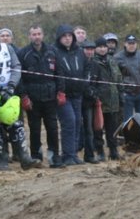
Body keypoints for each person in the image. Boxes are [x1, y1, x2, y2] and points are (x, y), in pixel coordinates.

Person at [0, 24, 41, 170]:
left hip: (10, 93)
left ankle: (24, 157)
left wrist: (11, 85)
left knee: (15, 123)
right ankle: (2, 159)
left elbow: (16, 66)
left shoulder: (7, 48)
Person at [18, 25, 65, 168]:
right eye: (33, 34)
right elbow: (19, 77)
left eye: (39, 34)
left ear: (43, 35)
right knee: (35, 129)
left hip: (50, 97)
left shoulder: (52, 51)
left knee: (52, 128)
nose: (36, 37)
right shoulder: (23, 53)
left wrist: (61, 91)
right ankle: (36, 157)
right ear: (29, 36)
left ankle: (54, 157)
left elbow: (60, 73)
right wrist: (24, 96)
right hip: (33, 98)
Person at [54, 24, 89, 166]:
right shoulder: (55, 52)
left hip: (77, 93)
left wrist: (84, 82)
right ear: (59, 38)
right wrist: (59, 90)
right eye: (64, 36)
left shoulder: (79, 52)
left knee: (76, 123)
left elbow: (87, 68)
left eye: (69, 36)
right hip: (63, 94)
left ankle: (73, 153)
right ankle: (67, 155)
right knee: (69, 121)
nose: (67, 39)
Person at [90, 37, 123, 160]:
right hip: (99, 101)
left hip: (113, 100)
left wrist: (121, 95)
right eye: (100, 47)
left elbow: (119, 78)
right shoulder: (92, 62)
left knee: (112, 128)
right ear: (96, 48)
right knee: (98, 128)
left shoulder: (112, 61)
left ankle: (113, 151)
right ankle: (100, 152)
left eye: (104, 46)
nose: (103, 49)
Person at [114, 34, 140, 123]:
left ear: (136, 44)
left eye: (133, 43)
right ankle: (128, 137)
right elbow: (115, 77)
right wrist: (121, 93)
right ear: (125, 44)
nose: (131, 45)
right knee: (127, 121)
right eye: (129, 43)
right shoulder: (117, 57)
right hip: (127, 94)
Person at [80, 40, 98, 163]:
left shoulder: (96, 65)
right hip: (77, 98)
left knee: (89, 129)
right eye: (87, 49)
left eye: (92, 49)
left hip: (90, 102)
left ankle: (89, 154)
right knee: (75, 127)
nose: (89, 51)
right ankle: (72, 153)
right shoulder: (78, 63)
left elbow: (101, 83)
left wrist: (95, 93)